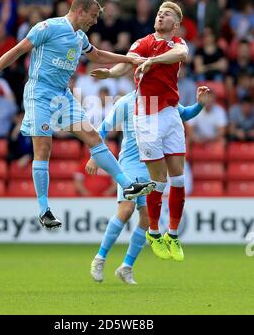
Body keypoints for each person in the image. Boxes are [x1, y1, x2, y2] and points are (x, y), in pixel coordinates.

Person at [0, 0, 155, 229]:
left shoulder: (80, 37)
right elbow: (17, 51)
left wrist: (128, 59)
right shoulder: (48, 27)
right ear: (80, 11)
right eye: (94, 16)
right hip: (40, 93)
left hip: (62, 95)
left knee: (93, 137)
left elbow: (95, 55)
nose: (95, 21)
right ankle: (44, 210)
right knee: (43, 147)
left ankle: (127, 185)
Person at [90, 1, 189, 262]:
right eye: (158, 13)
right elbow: (127, 63)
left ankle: (173, 234)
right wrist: (110, 74)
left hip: (170, 111)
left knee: (179, 179)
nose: (160, 16)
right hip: (146, 114)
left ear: (175, 23)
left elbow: (180, 55)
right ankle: (154, 233)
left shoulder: (177, 43)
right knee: (159, 180)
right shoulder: (142, 42)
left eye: (166, 14)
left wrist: (151, 62)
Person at [88, 86, 209, 284]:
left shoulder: (163, 99)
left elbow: (184, 114)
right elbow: (102, 128)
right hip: (130, 165)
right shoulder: (125, 102)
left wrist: (200, 104)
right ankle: (100, 258)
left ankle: (126, 266)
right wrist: (95, 156)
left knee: (147, 218)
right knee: (126, 209)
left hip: (152, 168)